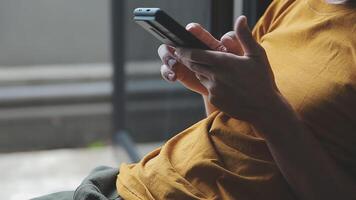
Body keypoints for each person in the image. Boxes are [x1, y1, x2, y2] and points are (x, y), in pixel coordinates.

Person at [34, 0, 356, 199]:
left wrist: (268, 108)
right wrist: (208, 84)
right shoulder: (294, 5)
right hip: (135, 182)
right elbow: (239, 129)